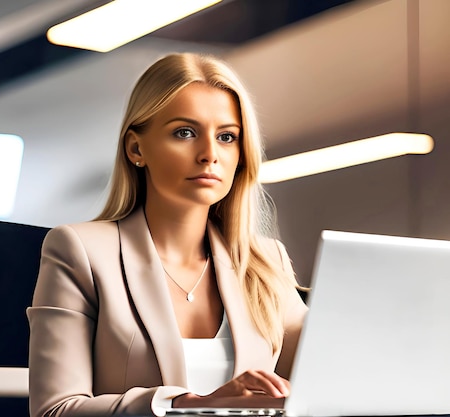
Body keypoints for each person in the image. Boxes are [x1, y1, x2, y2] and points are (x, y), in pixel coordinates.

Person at [27, 52, 308, 417]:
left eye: (227, 137)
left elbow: (326, 378)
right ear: (136, 148)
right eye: (185, 133)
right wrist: (188, 405)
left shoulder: (265, 261)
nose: (209, 154)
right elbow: (56, 409)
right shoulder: (79, 250)